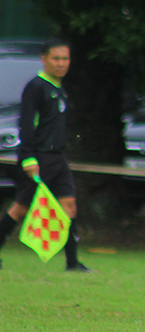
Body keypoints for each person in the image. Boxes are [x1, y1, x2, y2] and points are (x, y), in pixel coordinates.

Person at [0, 41, 90, 272]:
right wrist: (28, 157)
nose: (61, 64)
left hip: (58, 158)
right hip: (39, 157)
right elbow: (27, 125)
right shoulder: (36, 87)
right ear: (44, 59)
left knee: (69, 205)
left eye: (65, 59)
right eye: (56, 59)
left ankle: (72, 263)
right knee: (20, 208)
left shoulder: (59, 88)